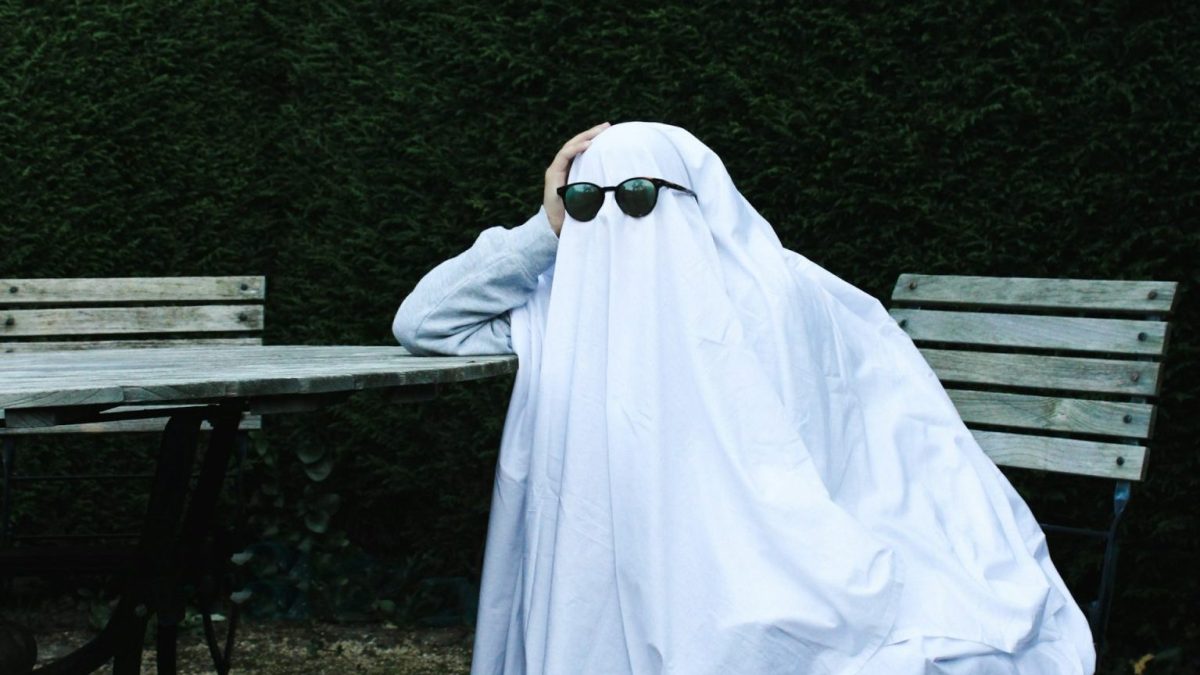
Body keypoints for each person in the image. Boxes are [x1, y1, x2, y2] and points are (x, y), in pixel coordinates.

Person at [393, 122, 1096, 674]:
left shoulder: (767, 287)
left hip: (749, 562)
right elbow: (423, 321)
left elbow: (857, 427)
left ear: (697, 196)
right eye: (587, 202)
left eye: (637, 197)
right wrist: (543, 229)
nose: (613, 221)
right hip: (608, 575)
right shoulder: (563, 305)